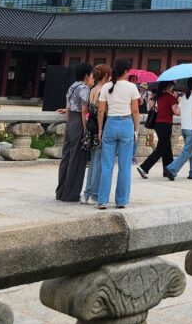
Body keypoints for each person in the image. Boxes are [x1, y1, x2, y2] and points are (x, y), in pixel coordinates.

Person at [94, 58, 141, 210]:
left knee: (107, 165)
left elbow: (101, 112)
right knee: (124, 166)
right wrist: (136, 129)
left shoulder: (106, 87)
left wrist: (100, 129)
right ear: (127, 71)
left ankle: (102, 200)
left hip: (110, 124)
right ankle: (121, 201)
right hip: (126, 124)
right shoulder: (132, 87)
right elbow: (135, 110)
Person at [55, 63, 94, 202]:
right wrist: (85, 129)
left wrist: (67, 112)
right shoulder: (84, 88)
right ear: (86, 75)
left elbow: (70, 105)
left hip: (70, 121)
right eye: (91, 75)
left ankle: (61, 191)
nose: (93, 78)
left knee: (66, 157)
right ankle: (71, 194)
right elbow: (84, 110)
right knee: (77, 159)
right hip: (79, 123)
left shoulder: (73, 86)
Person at [81, 64, 110, 205]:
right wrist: (101, 130)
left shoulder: (91, 89)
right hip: (99, 127)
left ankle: (86, 193)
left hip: (90, 127)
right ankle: (94, 194)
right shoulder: (103, 90)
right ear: (105, 76)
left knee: (92, 162)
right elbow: (101, 112)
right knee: (98, 162)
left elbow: (85, 109)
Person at [165, 77, 192, 181]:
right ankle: (172, 169)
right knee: (187, 151)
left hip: (184, 127)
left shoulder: (183, 98)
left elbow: (177, 112)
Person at [137, 84, 177, 180]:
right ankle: (144, 167)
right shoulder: (171, 97)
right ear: (169, 86)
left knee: (167, 148)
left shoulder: (159, 96)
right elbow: (176, 112)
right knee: (161, 149)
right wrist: (178, 102)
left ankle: (168, 170)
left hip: (158, 124)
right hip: (166, 124)